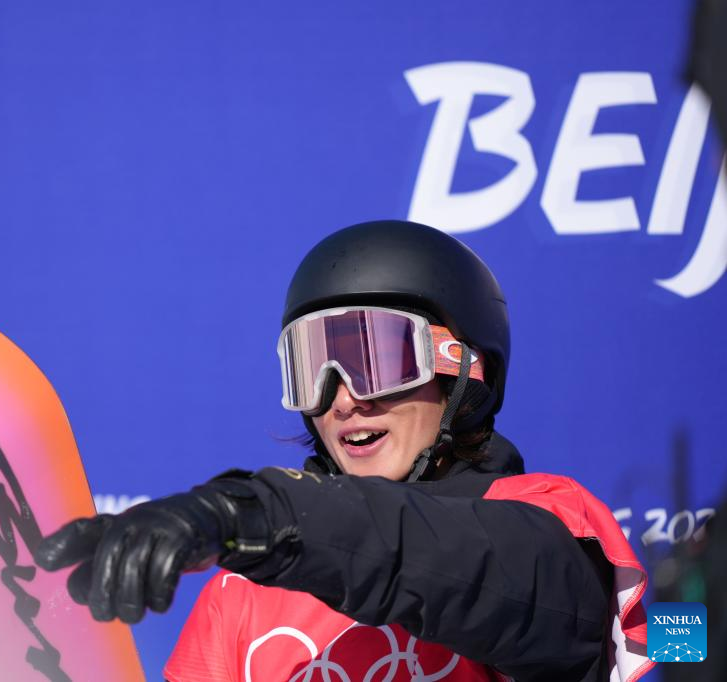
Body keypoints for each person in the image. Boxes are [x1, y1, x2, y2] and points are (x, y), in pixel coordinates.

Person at [36, 220, 653, 681]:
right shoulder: (242, 593)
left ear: (464, 369)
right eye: (313, 368)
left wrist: (262, 514)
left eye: (377, 359)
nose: (343, 399)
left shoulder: (549, 522)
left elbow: (455, 563)